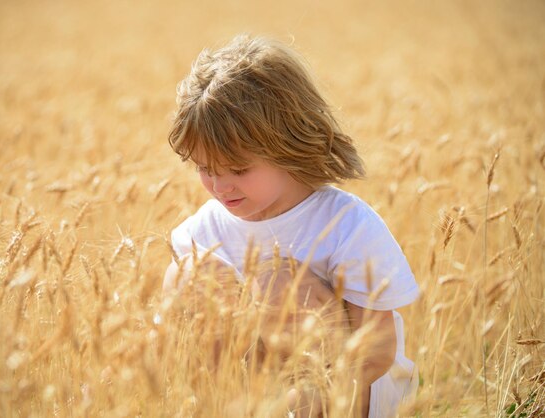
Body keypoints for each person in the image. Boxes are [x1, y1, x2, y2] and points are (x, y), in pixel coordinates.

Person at [162, 34, 420, 418]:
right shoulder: (205, 231)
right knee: (188, 275)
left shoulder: (344, 224)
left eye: (239, 169)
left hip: (348, 394)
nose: (220, 186)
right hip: (255, 395)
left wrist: (311, 398)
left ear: (288, 145)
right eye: (205, 169)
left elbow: (377, 351)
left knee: (278, 283)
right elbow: (170, 336)